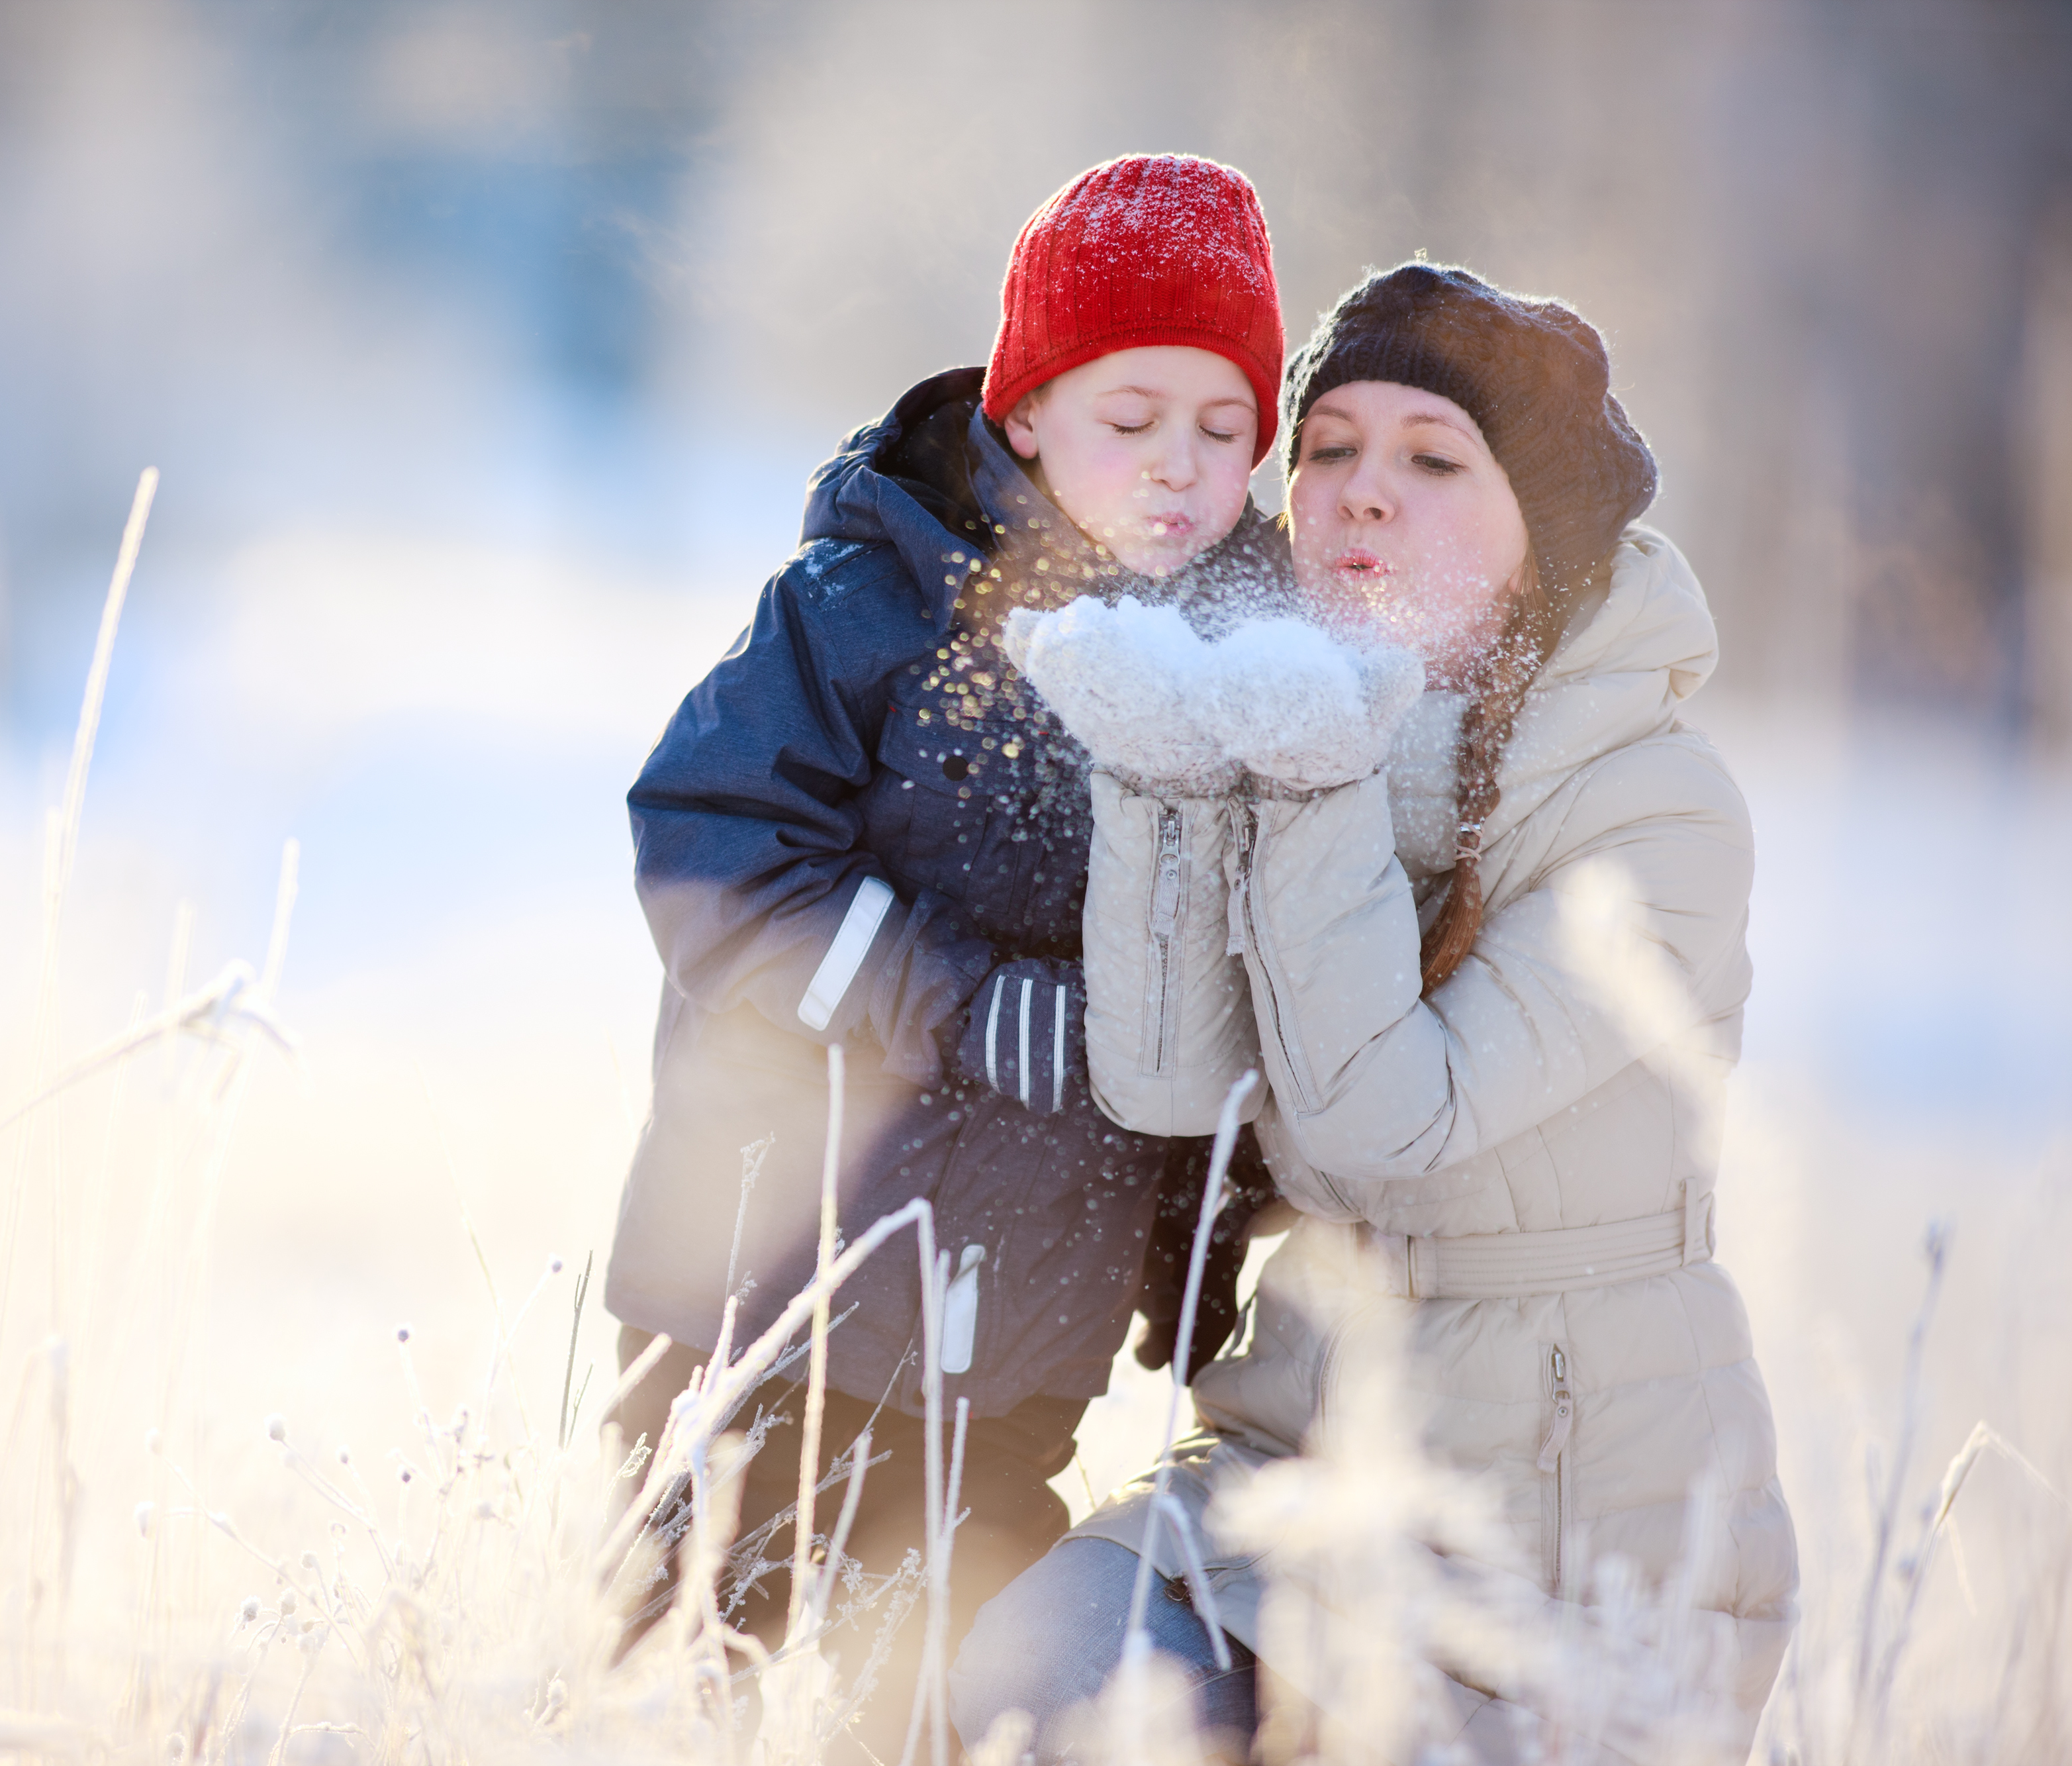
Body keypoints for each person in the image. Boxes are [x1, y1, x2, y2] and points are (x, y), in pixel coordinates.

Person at [953, 263, 1799, 1762]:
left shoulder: (1659, 814)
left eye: (1429, 457)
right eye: (1326, 448)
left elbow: (1380, 1123)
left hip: (1558, 1518)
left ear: (1542, 528)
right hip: (1293, 1454)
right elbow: (1171, 1086)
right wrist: (1164, 774)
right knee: (1018, 1691)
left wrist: (1306, 766)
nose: (1356, 493)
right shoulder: (1309, 706)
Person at [604, 154, 1294, 1753]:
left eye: (1223, 429)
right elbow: (706, 842)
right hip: (765, 1301)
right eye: (1132, 419)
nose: (1180, 470)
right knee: (675, 1687)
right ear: (1028, 410)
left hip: (1012, 1363)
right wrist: (968, 1007)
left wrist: (1207, 1207)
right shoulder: (878, 600)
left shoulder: (1250, 669)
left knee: (914, 1714)